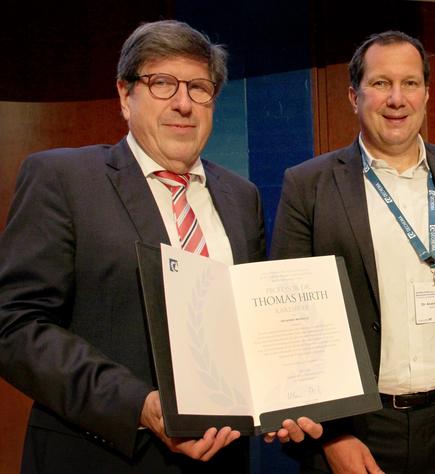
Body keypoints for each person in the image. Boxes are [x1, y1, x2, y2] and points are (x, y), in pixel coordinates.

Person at [0, 20, 321, 473]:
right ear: (124, 95)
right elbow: (14, 326)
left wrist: (287, 395)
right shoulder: (63, 179)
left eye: (199, 88)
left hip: (220, 459)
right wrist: (141, 406)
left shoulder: (240, 197)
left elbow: (250, 328)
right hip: (100, 456)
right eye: (162, 84)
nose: (183, 103)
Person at [270, 31, 435, 473]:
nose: (397, 98)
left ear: (426, 93)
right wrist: (333, 432)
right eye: (380, 83)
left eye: (410, 83)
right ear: (353, 97)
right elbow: (291, 324)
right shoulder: (308, 186)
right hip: (356, 431)